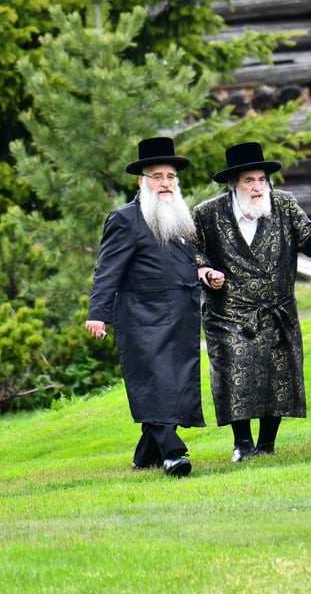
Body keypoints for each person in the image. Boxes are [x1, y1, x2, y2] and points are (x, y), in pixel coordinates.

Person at [193, 142, 311, 462]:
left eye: (261, 179)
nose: (256, 187)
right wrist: (205, 270)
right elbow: (191, 251)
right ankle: (242, 444)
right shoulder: (208, 213)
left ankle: (266, 444)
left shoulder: (285, 205)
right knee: (233, 374)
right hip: (229, 313)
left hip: (276, 308)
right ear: (233, 185)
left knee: (276, 375)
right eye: (249, 181)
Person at [85, 136, 213, 478]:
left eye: (170, 177)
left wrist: (203, 270)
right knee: (155, 383)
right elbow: (107, 270)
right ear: (143, 181)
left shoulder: (181, 219)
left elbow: (187, 260)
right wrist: (98, 313)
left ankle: (146, 455)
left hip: (182, 316)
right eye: (157, 176)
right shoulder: (125, 219)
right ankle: (173, 453)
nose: (166, 183)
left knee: (175, 383)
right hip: (142, 317)